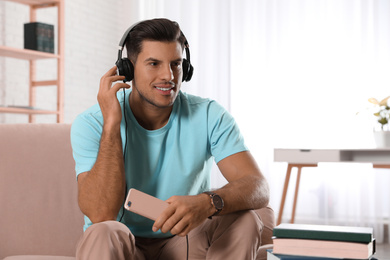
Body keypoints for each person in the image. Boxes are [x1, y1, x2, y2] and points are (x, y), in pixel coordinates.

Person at [71, 18, 270, 260]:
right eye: (153, 63)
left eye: (176, 64)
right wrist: (112, 124)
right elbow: (100, 213)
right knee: (103, 231)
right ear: (128, 69)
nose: (168, 76)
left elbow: (257, 186)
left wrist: (208, 202)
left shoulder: (208, 114)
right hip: (123, 245)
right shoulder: (92, 122)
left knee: (245, 220)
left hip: (186, 242)